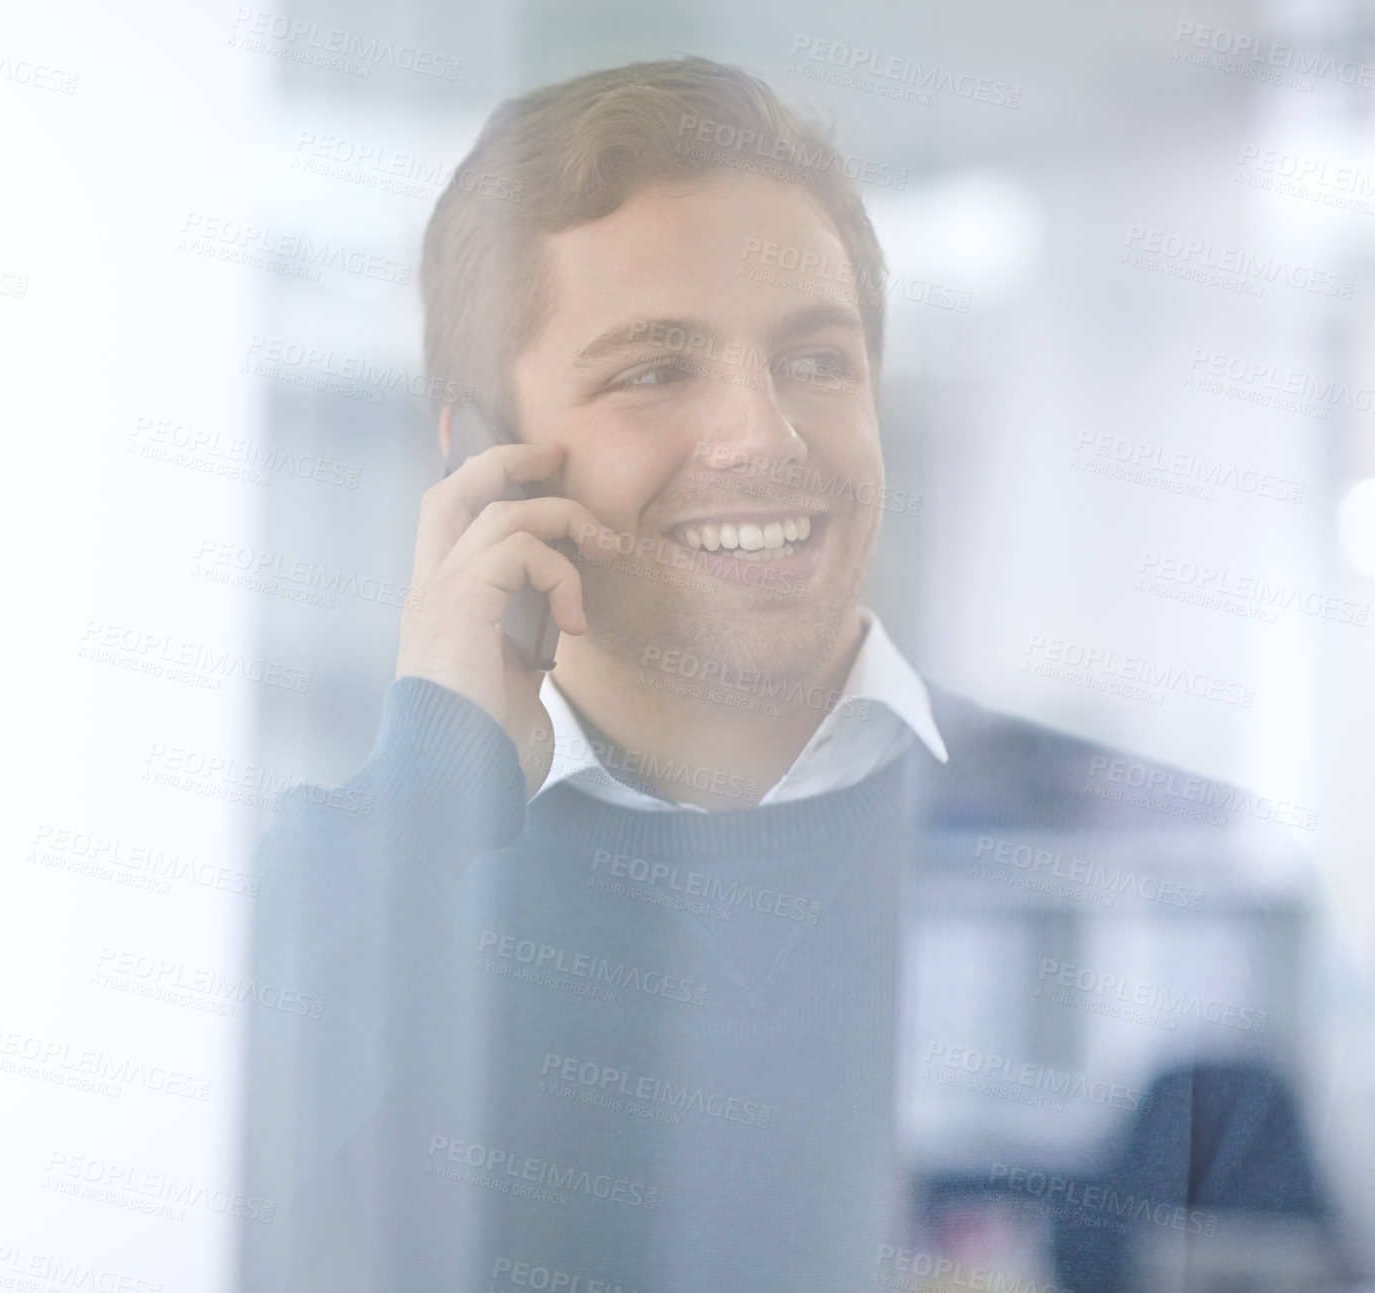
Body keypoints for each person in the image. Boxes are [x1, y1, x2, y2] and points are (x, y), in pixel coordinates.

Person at [239, 56, 1358, 1292]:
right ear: (485, 459)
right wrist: (431, 783)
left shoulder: (1169, 873)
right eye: (655, 369)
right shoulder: (362, 885)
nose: (764, 436)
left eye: (816, 361)